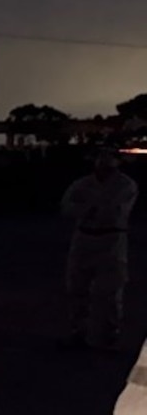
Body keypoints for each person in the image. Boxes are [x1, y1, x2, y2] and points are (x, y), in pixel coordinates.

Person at [62, 149, 139, 350]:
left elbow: (113, 210)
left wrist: (86, 209)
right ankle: (79, 331)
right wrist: (89, 210)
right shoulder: (83, 183)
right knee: (77, 286)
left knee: (111, 288)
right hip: (85, 236)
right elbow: (66, 207)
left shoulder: (125, 185)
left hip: (112, 237)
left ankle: (110, 333)